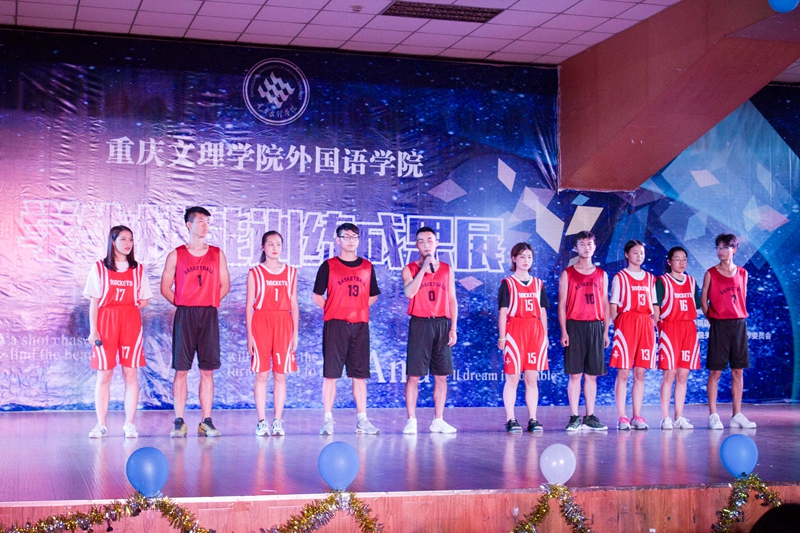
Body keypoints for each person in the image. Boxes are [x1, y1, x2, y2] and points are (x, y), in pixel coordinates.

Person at [161, 206, 230, 437]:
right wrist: (184, 303)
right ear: (189, 225)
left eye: (208, 221)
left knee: (207, 370)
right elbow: (165, 287)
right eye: (201, 221)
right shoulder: (176, 255)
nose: (205, 225)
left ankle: (206, 421)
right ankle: (179, 420)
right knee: (181, 369)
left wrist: (208, 301)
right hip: (185, 316)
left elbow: (225, 285)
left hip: (208, 314)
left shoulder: (217, 254)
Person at [313, 223, 380, 435]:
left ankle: (362, 420)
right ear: (338, 240)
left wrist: (356, 308)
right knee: (331, 374)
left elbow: (373, 295)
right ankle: (328, 420)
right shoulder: (329, 266)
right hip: (335, 325)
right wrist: (335, 309)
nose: (351, 240)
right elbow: (317, 295)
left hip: (360, 325)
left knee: (359, 375)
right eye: (346, 236)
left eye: (355, 236)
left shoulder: (367, 267)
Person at [84, 225, 152, 438]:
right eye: (123, 239)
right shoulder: (99, 267)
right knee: (104, 374)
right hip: (106, 322)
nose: (128, 243)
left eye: (130, 239)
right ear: (112, 241)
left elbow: (145, 299)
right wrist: (93, 330)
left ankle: (129, 424)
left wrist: (128, 306)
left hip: (130, 322)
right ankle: (101, 424)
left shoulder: (138, 269)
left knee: (130, 373)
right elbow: (94, 302)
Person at [401, 226, 458, 435]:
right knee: (414, 376)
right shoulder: (409, 269)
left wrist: (453, 328)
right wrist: (423, 268)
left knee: (441, 375)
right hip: (420, 324)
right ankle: (411, 420)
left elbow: (452, 300)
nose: (426, 245)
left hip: (442, 324)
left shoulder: (447, 269)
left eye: (430, 241)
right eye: (421, 241)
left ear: (436, 243)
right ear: (416, 245)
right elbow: (409, 293)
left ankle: (438, 420)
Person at [246, 231, 298, 437]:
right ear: (263, 247)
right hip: (261, 322)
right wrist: (250, 336)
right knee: (262, 374)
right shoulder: (255, 273)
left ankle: (277, 420)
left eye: (278, 244)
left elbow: (294, 304)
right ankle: (261, 421)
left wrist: (295, 333)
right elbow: (249, 306)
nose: (275, 248)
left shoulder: (291, 273)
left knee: (280, 374)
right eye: (270, 244)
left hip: (283, 323)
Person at [701, 234, 755, 429]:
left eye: (725, 247)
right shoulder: (711, 273)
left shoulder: (743, 273)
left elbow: (742, 299)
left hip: (739, 324)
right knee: (715, 371)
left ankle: (737, 414)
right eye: (718, 247)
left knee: (738, 371)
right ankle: (713, 415)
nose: (721, 251)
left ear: (734, 249)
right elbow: (703, 302)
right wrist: (714, 321)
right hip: (719, 325)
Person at [558, 231, 609, 431]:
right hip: (575, 326)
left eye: (589, 244)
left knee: (591, 376)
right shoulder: (568, 274)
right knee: (575, 375)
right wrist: (564, 331)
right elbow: (562, 304)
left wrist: (605, 331)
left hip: (595, 327)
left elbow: (605, 304)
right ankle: (574, 417)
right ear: (575, 247)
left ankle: (590, 416)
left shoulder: (602, 274)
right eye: (582, 244)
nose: (586, 247)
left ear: (594, 247)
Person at [498, 243, 549, 433]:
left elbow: (542, 311)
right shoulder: (507, 283)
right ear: (514, 258)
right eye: (522, 256)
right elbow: (503, 312)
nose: (526, 260)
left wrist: (545, 335)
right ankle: (510, 419)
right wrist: (502, 337)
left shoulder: (538, 284)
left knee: (531, 378)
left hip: (535, 331)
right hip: (515, 330)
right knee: (512, 377)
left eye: (529, 257)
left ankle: (533, 418)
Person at [609, 240, 657, 430]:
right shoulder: (620, 277)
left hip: (645, 324)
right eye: (635, 253)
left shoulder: (650, 279)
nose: (639, 256)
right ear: (627, 255)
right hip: (626, 324)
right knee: (624, 372)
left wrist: (654, 325)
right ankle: (622, 416)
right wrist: (619, 326)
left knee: (640, 372)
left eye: (642, 253)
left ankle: (637, 415)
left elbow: (654, 306)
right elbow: (613, 305)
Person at [654, 246, 700, 430]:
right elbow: (656, 310)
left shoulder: (691, 281)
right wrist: (660, 329)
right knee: (669, 374)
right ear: (669, 261)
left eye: (684, 259)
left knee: (683, 375)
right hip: (670, 328)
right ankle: (665, 417)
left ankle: (679, 416)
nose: (681, 263)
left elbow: (697, 306)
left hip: (688, 329)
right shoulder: (662, 281)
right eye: (677, 259)